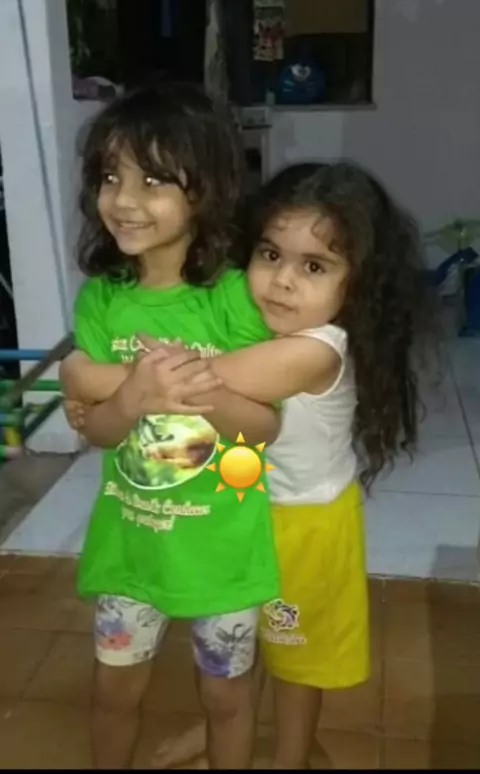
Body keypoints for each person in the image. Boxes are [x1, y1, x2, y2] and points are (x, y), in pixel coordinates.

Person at [63, 161, 435, 769]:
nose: (282, 281)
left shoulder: (315, 349)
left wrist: (81, 374)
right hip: (242, 513)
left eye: (313, 267)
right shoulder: (252, 321)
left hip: (302, 524)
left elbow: (192, 381)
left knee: (295, 658)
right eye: (270, 255)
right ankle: (217, 730)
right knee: (244, 644)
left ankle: (289, 757)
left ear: (358, 283)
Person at [60, 80, 284, 771]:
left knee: (226, 697)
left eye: (152, 180)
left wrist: (185, 389)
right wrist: (132, 397)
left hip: (224, 549)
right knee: (112, 692)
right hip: (132, 547)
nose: (124, 200)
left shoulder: (235, 296)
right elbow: (99, 431)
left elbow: (263, 427)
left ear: (206, 188)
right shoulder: (103, 299)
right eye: (110, 177)